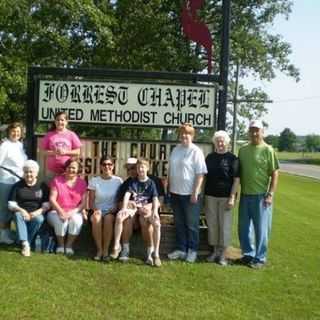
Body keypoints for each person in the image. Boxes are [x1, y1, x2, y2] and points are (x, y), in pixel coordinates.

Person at [238, 120, 279, 269]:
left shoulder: (268, 150)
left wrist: (271, 194)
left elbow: (275, 173)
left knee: (261, 229)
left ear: (262, 132)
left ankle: (260, 258)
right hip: (244, 194)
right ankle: (248, 254)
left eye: (257, 130)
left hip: (261, 196)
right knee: (243, 227)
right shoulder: (242, 150)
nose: (254, 133)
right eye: (252, 130)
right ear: (249, 132)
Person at [167, 123, 207, 263]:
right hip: (175, 193)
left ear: (192, 135)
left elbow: (200, 174)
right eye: (182, 133)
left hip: (190, 194)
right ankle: (181, 249)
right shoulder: (175, 150)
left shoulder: (196, 151)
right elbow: (171, 171)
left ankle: (193, 250)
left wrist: (195, 192)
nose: (185, 136)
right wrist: (169, 189)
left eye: (188, 134)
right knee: (179, 223)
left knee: (191, 224)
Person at [111, 159, 162, 267]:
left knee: (145, 221)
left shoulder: (153, 181)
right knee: (126, 218)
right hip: (133, 212)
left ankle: (151, 253)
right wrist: (127, 205)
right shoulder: (129, 183)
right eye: (129, 169)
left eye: (133, 168)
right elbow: (121, 200)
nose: (133, 171)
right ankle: (124, 249)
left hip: (147, 211)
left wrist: (151, 207)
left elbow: (158, 199)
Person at [204, 131, 240, 266]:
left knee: (224, 225)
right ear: (214, 142)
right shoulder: (210, 157)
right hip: (210, 196)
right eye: (217, 141)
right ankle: (214, 251)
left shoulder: (233, 159)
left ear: (227, 142)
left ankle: (223, 254)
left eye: (222, 141)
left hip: (226, 197)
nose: (220, 143)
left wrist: (232, 197)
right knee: (212, 224)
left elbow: (236, 180)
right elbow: (205, 177)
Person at [8, 160, 49, 257]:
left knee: (40, 219)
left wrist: (38, 212)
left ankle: (23, 240)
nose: (29, 174)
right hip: (21, 213)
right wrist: (21, 210)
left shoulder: (42, 186)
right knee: (18, 215)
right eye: (26, 172)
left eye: (31, 172)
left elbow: (47, 204)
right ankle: (26, 244)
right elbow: (11, 204)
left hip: (36, 213)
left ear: (36, 173)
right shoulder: (17, 186)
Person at [47, 158, 87, 255]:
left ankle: (69, 245)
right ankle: (60, 245)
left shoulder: (82, 183)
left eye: (74, 168)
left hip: (74, 211)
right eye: (69, 167)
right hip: (56, 211)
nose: (71, 170)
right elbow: (52, 199)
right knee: (61, 221)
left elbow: (83, 203)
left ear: (78, 170)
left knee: (76, 221)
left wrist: (71, 213)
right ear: (65, 168)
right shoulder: (57, 181)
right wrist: (61, 212)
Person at [87, 156, 123, 261]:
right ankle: (99, 250)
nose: (107, 166)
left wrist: (115, 208)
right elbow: (91, 201)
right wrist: (95, 210)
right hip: (97, 209)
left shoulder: (118, 181)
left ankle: (106, 250)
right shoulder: (94, 180)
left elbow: (119, 200)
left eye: (109, 164)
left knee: (108, 219)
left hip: (111, 211)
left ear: (113, 166)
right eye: (104, 164)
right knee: (96, 218)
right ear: (100, 166)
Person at [0, 122, 27, 244]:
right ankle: (3, 235)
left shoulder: (20, 145)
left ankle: (9, 232)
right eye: (13, 131)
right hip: (6, 181)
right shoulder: (5, 145)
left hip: (18, 181)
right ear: (9, 132)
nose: (15, 133)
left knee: (13, 208)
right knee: (4, 209)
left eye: (18, 131)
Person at [40, 111, 82, 179]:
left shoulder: (71, 134)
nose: (60, 122)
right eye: (58, 120)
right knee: (51, 189)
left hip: (67, 171)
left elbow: (78, 151)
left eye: (62, 120)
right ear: (55, 121)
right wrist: (54, 152)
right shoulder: (49, 135)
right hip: (52, 172)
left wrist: (65, 152)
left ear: (66, 122)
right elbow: (42, 152)